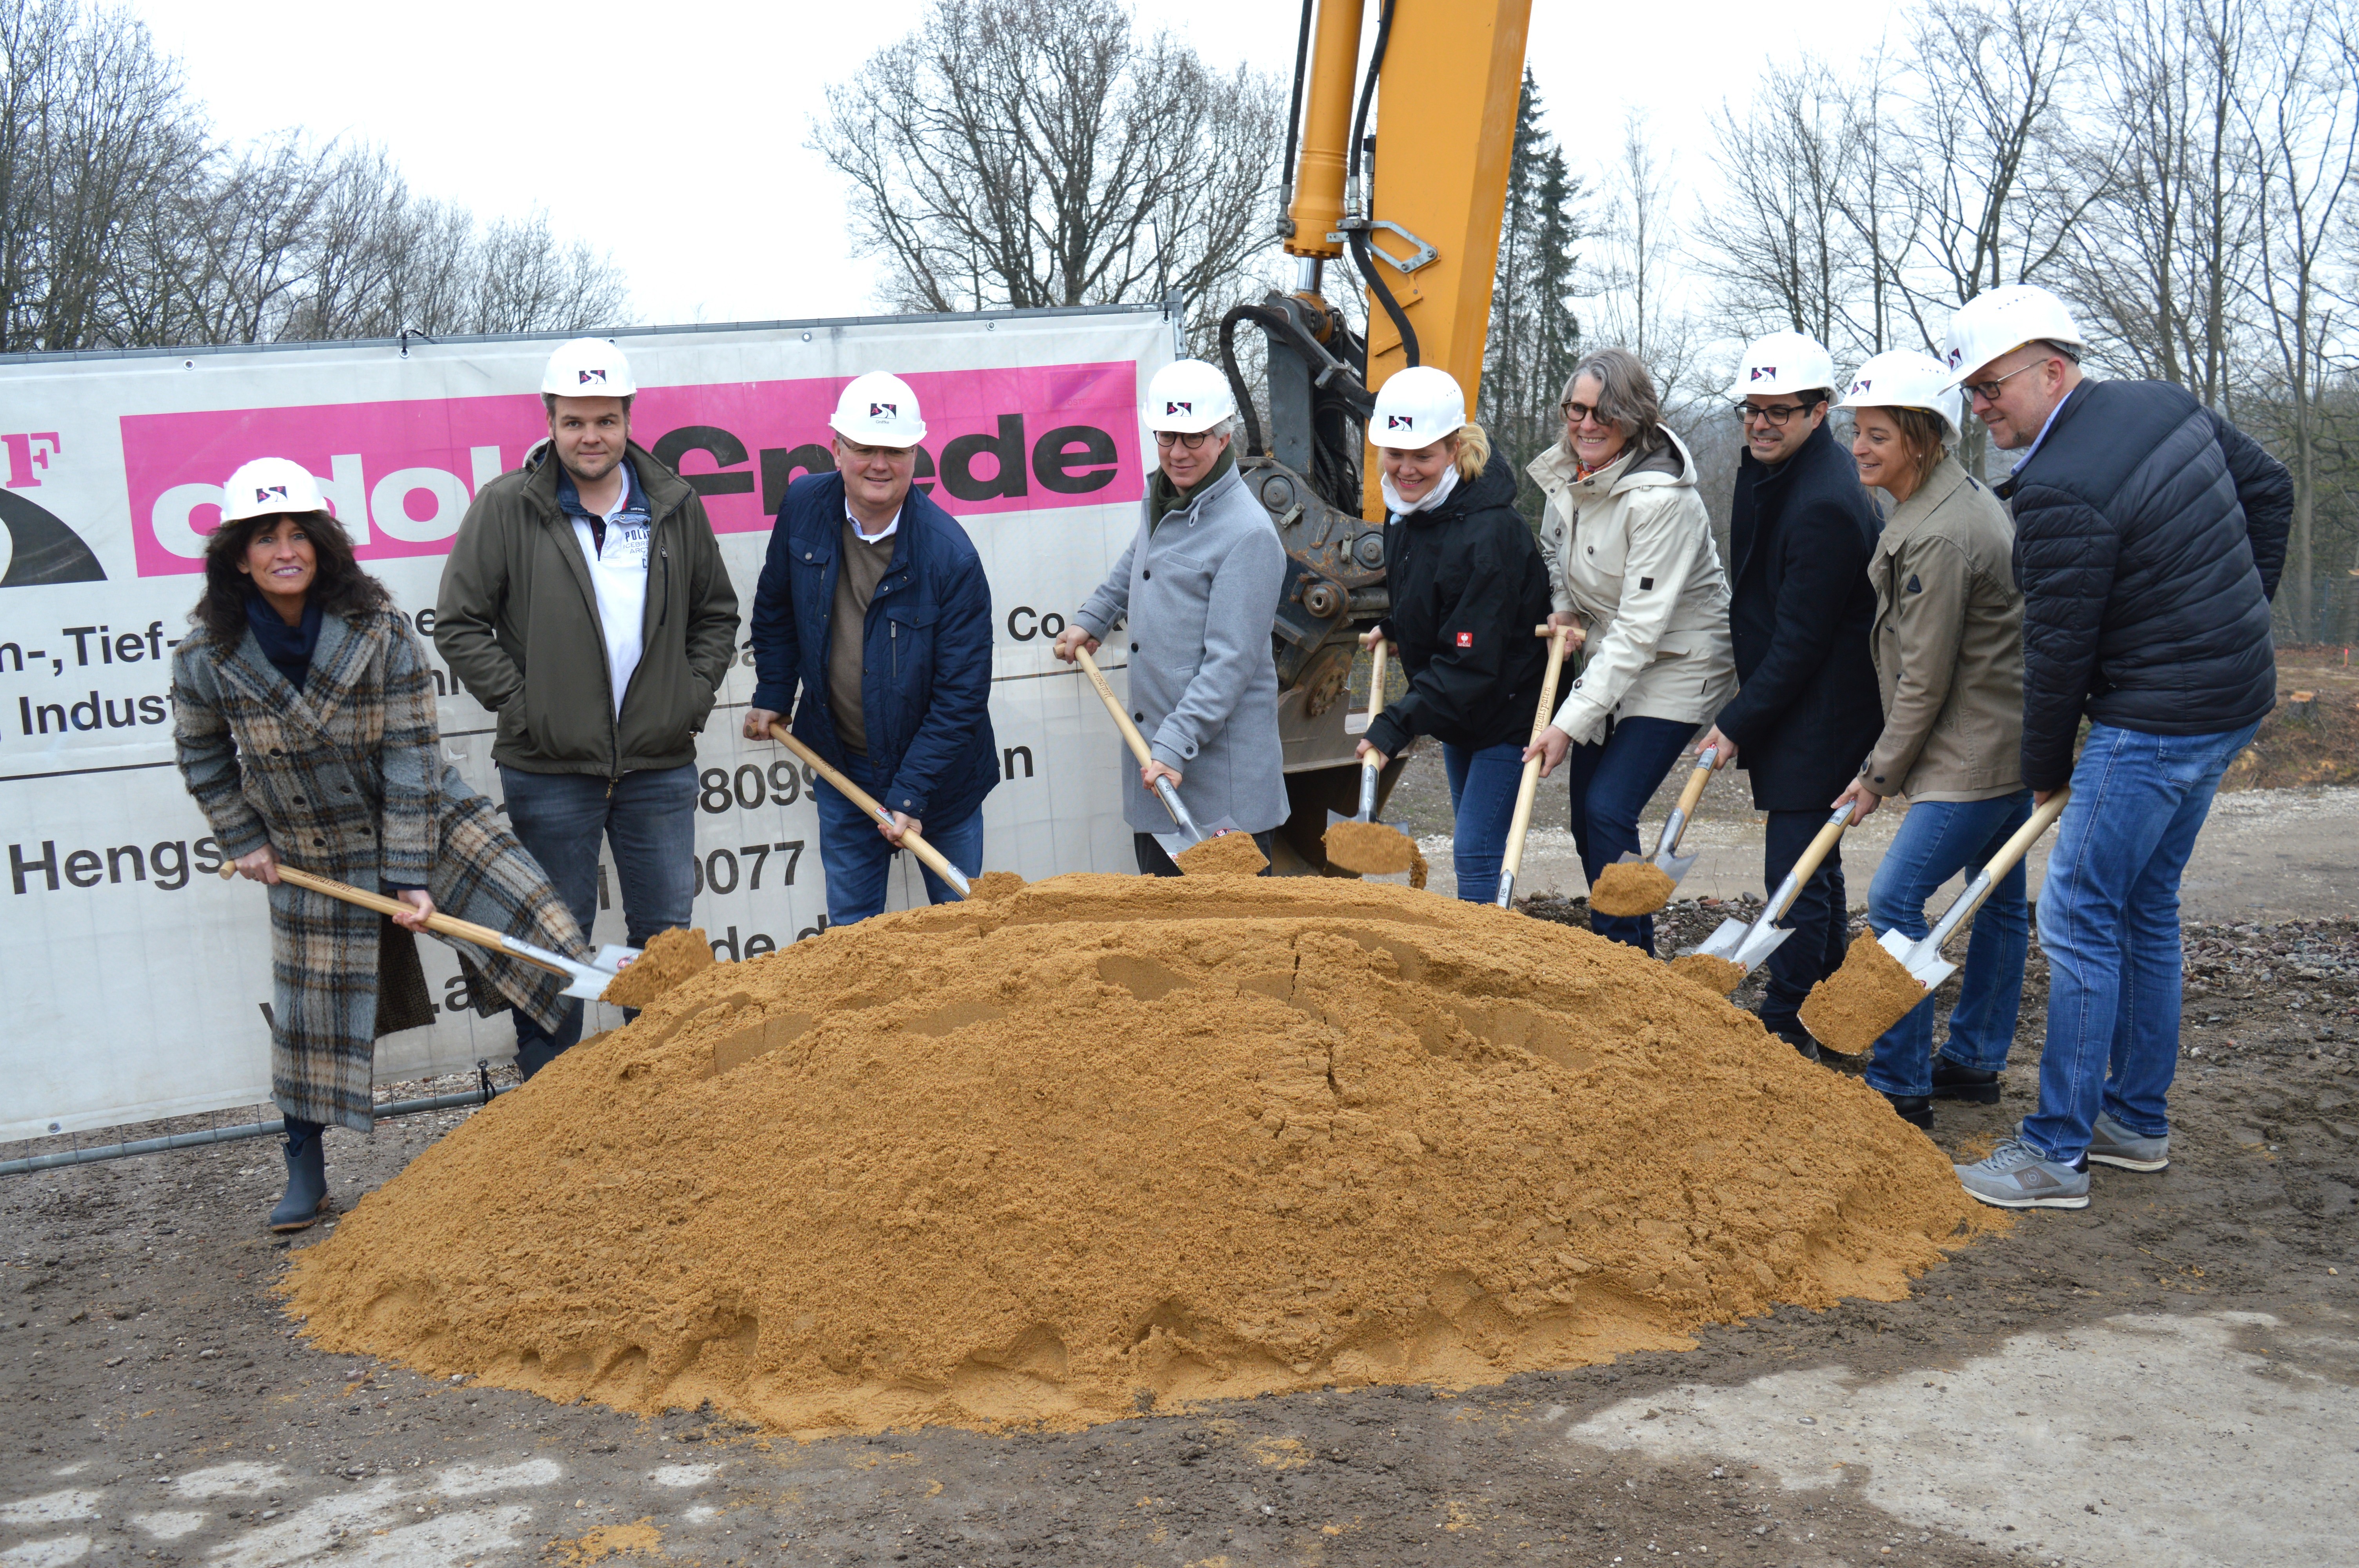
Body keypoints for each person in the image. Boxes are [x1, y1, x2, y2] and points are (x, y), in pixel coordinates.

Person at [1941, 286, 2291, 1209]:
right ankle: (2133, 1120)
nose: (1980, 407)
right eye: (1968, 392)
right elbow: (2269, 488)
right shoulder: (2163, 401)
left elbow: (2053, 660)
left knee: (2077, 915)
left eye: (1991, 386)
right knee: (2143, 905)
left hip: (2152, 724)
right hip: (2230, 702)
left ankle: (2053, 1152)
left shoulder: (2058, 487)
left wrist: (2045, 773)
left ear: (2052, 370)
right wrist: (2239, 619)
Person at [174, 459, 587, 1232]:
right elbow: (203, 755)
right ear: (239, 555)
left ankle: (554, 1123)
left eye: (301, 533)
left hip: (422, 812)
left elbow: (409, 751)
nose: (286, 550)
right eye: (267, 538)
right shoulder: (207, 656)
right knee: (310, 1015)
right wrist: (242, 835)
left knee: (544, 937)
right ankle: (306, 1172)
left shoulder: (381, 628)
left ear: (326, 546)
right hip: (309, 843)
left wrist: (408, 874)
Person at [436, 338, 740, 1078]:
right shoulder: (508, 507)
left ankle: (666, 1089)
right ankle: (550, 1100)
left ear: (629, 419)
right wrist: (525, 707)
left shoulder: (673, 505)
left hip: (658, 765)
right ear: (549, 420)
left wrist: (689, 701)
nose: (591, 437)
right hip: (549, 768)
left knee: (664, 937)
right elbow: (460, 623)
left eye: (605, 420)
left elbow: (717, 615)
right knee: (551, 938)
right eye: (574, 422)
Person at [1825, 350, 2032, 1131]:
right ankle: (1974, 1061)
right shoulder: (1940, 503)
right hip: (2004, 735)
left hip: (1971, 752)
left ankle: (1900, 1083)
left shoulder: (1942, 535)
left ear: (1919, 435)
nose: (1860, 448)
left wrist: (1877, 774)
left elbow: (1924, 676)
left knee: (1893, 898)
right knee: (2001, 901)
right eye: (1856, 432)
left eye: (1876, 434)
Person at [745, 372, 998, 919]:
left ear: (916, 454)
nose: (879, 464)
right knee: (854, 937)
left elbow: (962, 696)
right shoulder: (804, 506)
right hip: (843, 766)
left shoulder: (950, 557)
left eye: (895, 450)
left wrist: (910, 794)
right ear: (836, 449)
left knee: (962, 936)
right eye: (864, 448)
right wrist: (773, 689)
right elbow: (776, 605)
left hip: (942, 782)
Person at [1696, 332, 1883, 1062]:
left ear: (1820, 411)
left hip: (1825, 709)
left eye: (1781, 410)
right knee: (1817, 862)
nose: (1761, 423)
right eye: (1752, 409)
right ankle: (1825, 1009)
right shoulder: (1780, 472)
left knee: (1795, 872)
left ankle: (1790, 1017)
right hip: (1801, 699)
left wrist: (1737, 721)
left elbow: (1801, 643)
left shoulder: (1827, 503)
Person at [1523, 347, 1738, 953]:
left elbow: (1644, 631)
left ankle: (1623, 962)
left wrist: (1567, 724)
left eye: (1604, 414)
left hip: (1679, 663)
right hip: (1612, 653)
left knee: (1608, 808)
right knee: (1583, 821)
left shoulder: (1663, 502)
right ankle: (1629, 955)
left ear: (1635, 419)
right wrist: (1564, 606)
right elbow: (1555, 551)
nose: (1587, 425)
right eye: (1577, 410)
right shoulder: (1569, 475)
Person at [1054, 359, 1287, 873]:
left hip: (1218, 787)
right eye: (1167, 438)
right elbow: (1139, 562)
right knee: (1165, 933)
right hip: (1158, 767)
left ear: (1224, 437)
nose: (1178, 453)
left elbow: (1231, 663)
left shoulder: (1247, 535)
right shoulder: (1163, 497)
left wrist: (1175, 745)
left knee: (1233, 942)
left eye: (1193, 438)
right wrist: (1094, 618)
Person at [1351, 365, 1554, 904]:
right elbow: (1439, 600)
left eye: (1423, 455)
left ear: (1455, 448)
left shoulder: (1487, 533)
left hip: (1506, 705)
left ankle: (1486, 968)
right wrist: (1397, 629)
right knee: (1473, 839)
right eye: (1395, 454)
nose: (1406, 469)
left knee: (1477, 849)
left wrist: (1395, 725)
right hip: (1460, 707)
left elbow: (1472, 658)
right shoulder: (1406, 517)